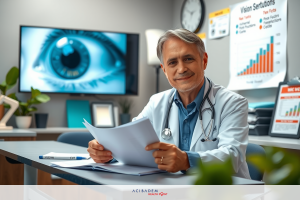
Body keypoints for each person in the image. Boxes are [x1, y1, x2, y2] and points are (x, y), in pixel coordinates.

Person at [87, 29, 251, 179]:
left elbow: (232, 157)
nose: (181, 69)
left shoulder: (233, 103)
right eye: (172, 62)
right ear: (164, 69)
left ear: (204, 60)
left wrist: (187, 160)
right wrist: (107, 151)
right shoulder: (157, 102)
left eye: (188, 59)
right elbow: (130, 141)